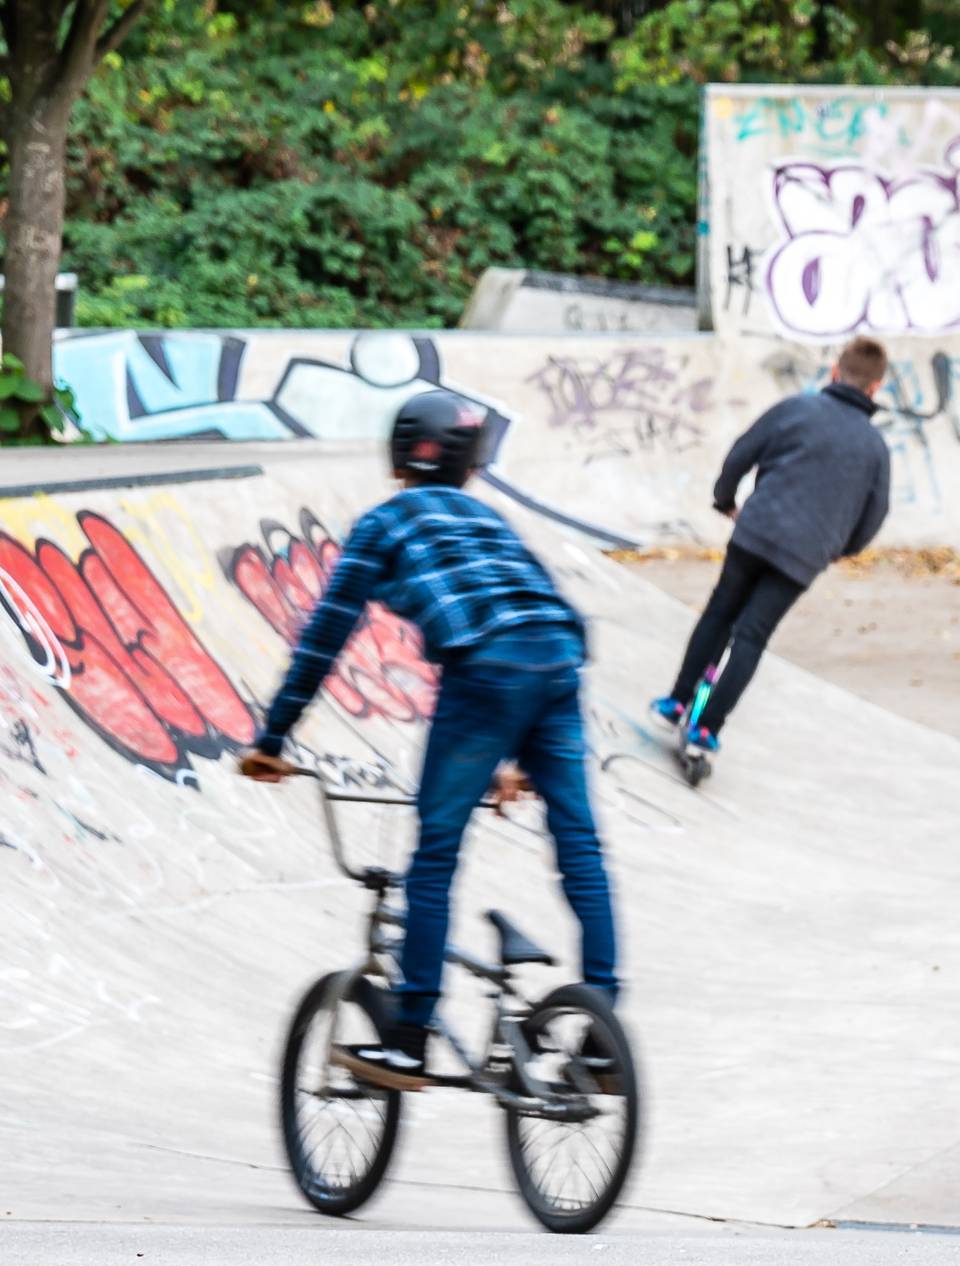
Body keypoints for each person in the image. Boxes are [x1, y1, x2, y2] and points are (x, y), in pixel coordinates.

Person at [239, 390, 618, 1089]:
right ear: (469, 466)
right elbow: (531, 619)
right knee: (580, 847)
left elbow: (323, 638)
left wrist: (274, 737)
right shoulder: (491, 520)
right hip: (559, 663)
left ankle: (409, 1038)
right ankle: (603, 1033)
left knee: (435, 851)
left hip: (484, 673)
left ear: (398, 460)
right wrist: (518, 752)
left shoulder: (383, 524)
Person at [652, 338, 893, 756]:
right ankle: (706, 731)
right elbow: (874, 515)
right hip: (804, 556)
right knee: (752, 636)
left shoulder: (796, 409)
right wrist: (839, 548)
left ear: (835, 373)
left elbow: (742, 453)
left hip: (755, 532)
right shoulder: (875, 449)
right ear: (875, 388)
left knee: (721, 611)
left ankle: (676, 701)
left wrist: (725, 500)